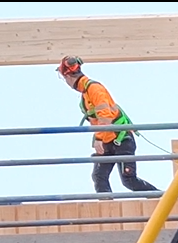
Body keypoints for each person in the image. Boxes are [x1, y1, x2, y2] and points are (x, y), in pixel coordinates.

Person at [58, 55, 161, 195]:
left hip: (121, 139)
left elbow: (105, 117)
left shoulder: (94, 89)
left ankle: (161, 198)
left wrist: (99, 138)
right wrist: (97, 139)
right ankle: (106, 205)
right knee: (99, 176)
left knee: (129, 180)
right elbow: (97, 122)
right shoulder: (85, 96)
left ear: (68, 77)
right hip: (108, 140)